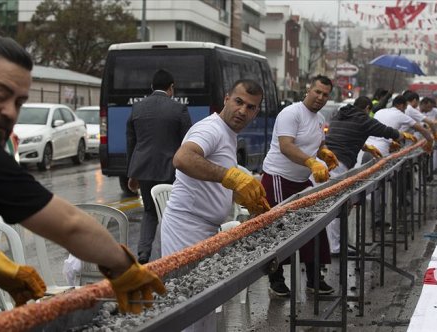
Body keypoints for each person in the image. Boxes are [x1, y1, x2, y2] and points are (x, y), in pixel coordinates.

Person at [0, 36, 165, 313]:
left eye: (19, 102)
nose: (9, 112)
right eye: (0, 95)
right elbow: (70, 224)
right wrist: (124, 268)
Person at [160, 79, 270, 332]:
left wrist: (239, 196)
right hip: (186, 228)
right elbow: (183, 158)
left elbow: (211, 179)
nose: (243, 110)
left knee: (203, 307)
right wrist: (229, 177)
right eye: (239, 102)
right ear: (226, 99)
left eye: (251, 107)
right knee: (188, 308)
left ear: (256, 112)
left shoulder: (227, 134)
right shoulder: (210, 129)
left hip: (204, 229)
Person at [261, 75, 339, 297]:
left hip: (301, 180)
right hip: (278, 177)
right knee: (279, 229)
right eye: (318, 92)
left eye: (325, 95)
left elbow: (318, 143)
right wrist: (311, 161)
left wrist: (323, 153)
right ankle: (276, 279)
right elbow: (286, 146)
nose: (320, 98)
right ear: (308, 90)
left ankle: (314, 279)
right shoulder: (291, 113)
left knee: (314, 224)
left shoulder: (319, 118)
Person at [324, 96, 418, 244]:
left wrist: (365, 146)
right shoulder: (362, 119)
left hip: (326, 160)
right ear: (367, 108)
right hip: (339, 163)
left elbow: (347, 135)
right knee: (338, 206)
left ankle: (334, 243)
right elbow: (384, 130)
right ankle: (335, 246)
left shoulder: (340, 115)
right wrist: (401, 135)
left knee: (331, 204)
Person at [126, 69, 192, 264]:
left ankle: (143, 253)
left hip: (144, 169)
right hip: (171, 170)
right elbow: (188, 142)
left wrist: (132, 173)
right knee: (172, 212)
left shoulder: (137, 109)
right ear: (171, 88)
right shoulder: (178, 109)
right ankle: (171, 255)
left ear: (151, 87)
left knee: (149, 211)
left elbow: (131, 142)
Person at [365, 95, 434, 158]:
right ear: (401, 105)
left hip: (367, 147)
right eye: (405, 108)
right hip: (381, 150)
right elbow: (422, 130)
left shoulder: (379, 111)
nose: (404, 111)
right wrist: (430, 143)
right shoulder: (400, 115)